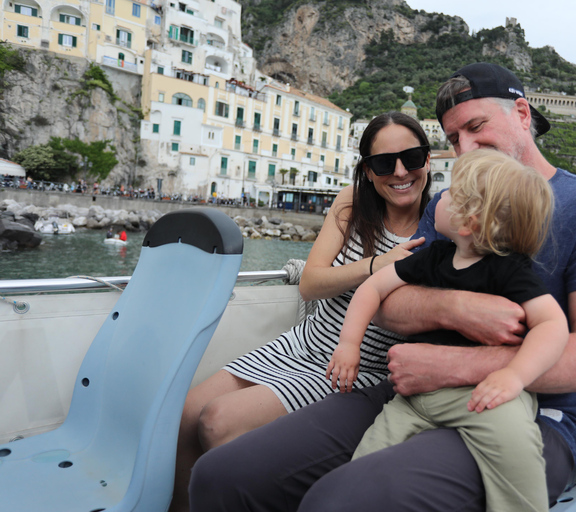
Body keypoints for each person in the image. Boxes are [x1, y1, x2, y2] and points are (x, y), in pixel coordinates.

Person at [189, 62, 576, 512]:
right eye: (452, 138)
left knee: (340, 502)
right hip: (409, 391)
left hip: (526, 415)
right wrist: (458, 309)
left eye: (476, 126)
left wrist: (452, 364)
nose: (465, 147)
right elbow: (390, 302)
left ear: (522, 114)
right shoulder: (453, 204)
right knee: (223, 477)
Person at [171, 111, 433, 512]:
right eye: (384, 163)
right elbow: (311, 281)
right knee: (187, 411)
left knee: (217, 421)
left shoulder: (437, 228)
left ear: (428, 159)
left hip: (357, 367)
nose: (400, 172)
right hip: (304, 343)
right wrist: (375, 265)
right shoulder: (352, 204)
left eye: (412, 158)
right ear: (367, 170)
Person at [327, 149, 569, 511]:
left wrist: (515, 377)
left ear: (469, 221)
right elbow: (372, 288)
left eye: (450, 193)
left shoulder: (509, 271)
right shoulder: (433, 256)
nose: (439, 197)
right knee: (361, 471)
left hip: (483, 397)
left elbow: (552, 325)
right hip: (412, 397)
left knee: (518, 459)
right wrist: (349, 344)